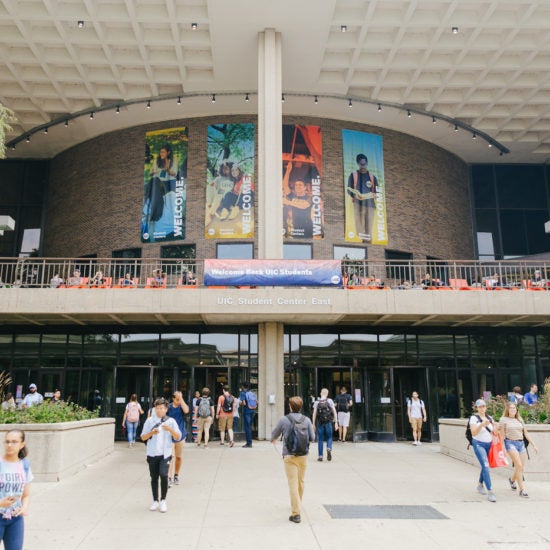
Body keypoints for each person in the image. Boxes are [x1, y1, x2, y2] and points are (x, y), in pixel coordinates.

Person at [271, 396, 315, 524]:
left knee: (292, 484)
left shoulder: (284, 419)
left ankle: (296, 514)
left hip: (289, 456)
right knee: (300, 482)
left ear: (290, 406)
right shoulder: (306, 420)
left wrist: (273, 439)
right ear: (301, 407)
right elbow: (312, 438)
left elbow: (275, 433)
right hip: (303, 456)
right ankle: (297, 504)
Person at [140, 397, 181, 513]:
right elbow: (143, 437)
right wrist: (151, 433)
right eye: (157, 408)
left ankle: (163, 500)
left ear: (166, 409)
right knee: (154, 477)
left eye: (161, 408)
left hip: (165, 454)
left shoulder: (171, 421)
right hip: (152, 454)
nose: (159, 410)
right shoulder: (149, 421)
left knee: (163, 475)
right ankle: (155, 500)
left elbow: (178, 436)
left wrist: (170, 430)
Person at [0, 429, 32, 550]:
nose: (9, 445)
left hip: (15, 519)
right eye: (7, 441)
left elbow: (26, 495)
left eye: (14, 442)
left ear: (22, 444)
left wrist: (24, 508)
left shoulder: (25, 465)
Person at [499, 401, 538, 498]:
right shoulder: (503, 419)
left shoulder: (520, 419)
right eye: (511, 408)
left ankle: (512, 480)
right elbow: (502, 435)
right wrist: (501, 448)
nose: (513, 410)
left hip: (521, 444)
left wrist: (534, 445)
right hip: (510, 443)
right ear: (508, 410)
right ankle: (522, 490)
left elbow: (526, 433)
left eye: (514, 408)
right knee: (519, 465)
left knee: (520, 467)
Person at [346, 153, 379, 242]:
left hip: (370, 205)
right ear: (358, 163)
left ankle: (368, 245)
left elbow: (377, 191)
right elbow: (349, 189)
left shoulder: (373, 177)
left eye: (365, 164)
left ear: (367, 163)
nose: (363, 166)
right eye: (361, 164)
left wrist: (372, 195)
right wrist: (356, 194)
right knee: (360, 229)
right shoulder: (353, 175)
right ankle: (363, 242)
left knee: (368, 231)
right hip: (358, 205)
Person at [469, 399, 497, 502]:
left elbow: (494, 432)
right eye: (480, 406)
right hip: (478, 444)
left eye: (483, 406)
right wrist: (481, 425)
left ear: (486, 407)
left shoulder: (490, 418)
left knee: (485, 466)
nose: (482, 408)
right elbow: (474, 433)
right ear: (477, 408)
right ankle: (490, 491)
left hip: (489, 444)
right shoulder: (473, 418)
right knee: (485, 466)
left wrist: (498, 427)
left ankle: (480, 485)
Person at [167, 390, 189, 486]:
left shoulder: (181, 406)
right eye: (177, 399)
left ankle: (176, 475)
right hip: (169, 436)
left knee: (178, 457)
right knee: (170, 457)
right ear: (173, 399)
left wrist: (181, 398)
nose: (178, 401)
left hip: (181, 435)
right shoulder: (168, 407)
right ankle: (169, 477)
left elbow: (186, 410)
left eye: (179, 399)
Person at [311, 388, 338, 462]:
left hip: (320, 423)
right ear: (327, 394)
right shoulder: (330, 401)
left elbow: (314, 414)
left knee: (320, 439)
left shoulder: (317, 402)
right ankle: (329, 448)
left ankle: (320, 456)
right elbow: (334, 412)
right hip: (328, 422)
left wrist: (313, 424)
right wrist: (336, 422)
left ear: (321, 393)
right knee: (329, 437)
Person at [240, 383, 258, 448]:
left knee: (247, 428)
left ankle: (249, 443)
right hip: (252, 411)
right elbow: (257, 402)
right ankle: (249, 442)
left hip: (247, 411)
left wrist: (240, 403)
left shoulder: (243, 393)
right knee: (249, 427)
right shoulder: (251, 393)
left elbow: (244, 403)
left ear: (243, 387)